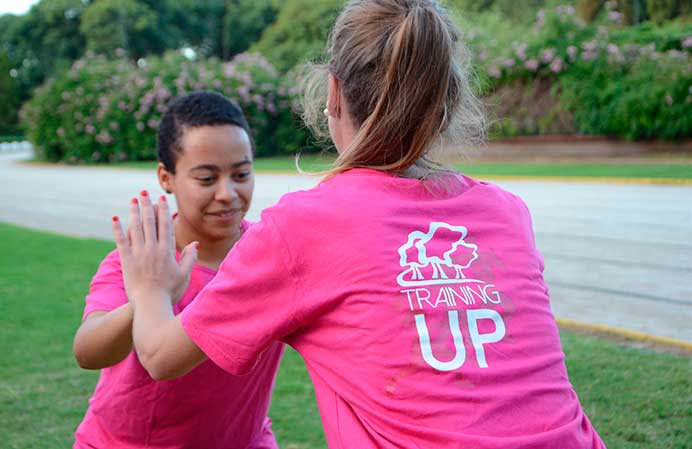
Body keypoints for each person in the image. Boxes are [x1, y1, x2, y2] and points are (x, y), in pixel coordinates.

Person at [113, 1, 606, 448]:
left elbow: (159, 355)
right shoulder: (507, 212)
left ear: (333, 92)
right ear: (447, 100)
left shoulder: (305, 226)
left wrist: (151, 287)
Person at [72, 91, 283, 449]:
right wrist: (148, 295)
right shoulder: (144, 260)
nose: (227, 193)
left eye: (241, 174)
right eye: (206, 179)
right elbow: (88, 350)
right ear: (166, 177)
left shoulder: (273, 256)